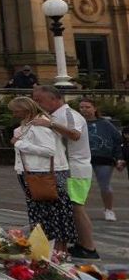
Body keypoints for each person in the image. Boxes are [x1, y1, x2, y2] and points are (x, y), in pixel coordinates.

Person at [31, 85, 98, 259]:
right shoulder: (54, 115)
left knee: (76, 207)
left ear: (54, 99)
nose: (39, 104)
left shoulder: (69, 114)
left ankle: (89, 247)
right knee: (71, 207)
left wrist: (51, 124)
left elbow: (75, 134)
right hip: (66, 168)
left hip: (76, 167)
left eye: (41, 100)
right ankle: (82, 244)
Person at [10, 96, 75, 251]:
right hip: (31, 172)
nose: (13, 114)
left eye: (15, 111)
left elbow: (48, 150)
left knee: (54, 212)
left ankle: (57, 250)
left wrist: (19, 143)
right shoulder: (28, 125)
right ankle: (44, 247)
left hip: (43, 173)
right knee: (40, 213)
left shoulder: (39, 125)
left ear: (25, 110)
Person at [80, 99, 126, 222]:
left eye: (87, 107)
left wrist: (119, 158)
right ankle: (80, 211)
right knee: (82, 186)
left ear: (94, 108)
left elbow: (117, 141)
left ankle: (109, 210)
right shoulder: (78, 123)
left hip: (104, 159)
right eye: (82, 107)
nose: (84, 110)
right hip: (83, 159)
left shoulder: (105, 124)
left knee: (105, 186)